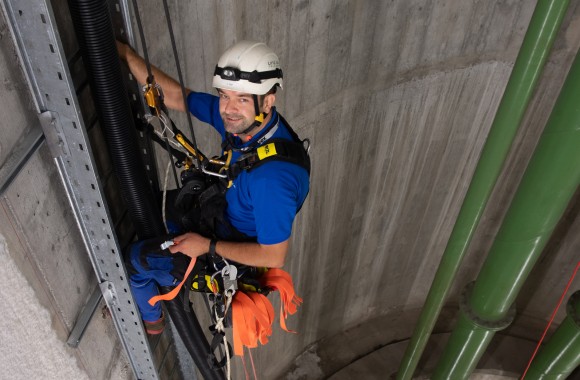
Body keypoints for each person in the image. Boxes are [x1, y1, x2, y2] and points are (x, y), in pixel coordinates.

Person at [117, 40, 310, 333]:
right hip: (216, 210)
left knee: (133, 262)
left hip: (222, 248)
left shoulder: (273, 180)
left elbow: (274, 256)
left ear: (267, 101)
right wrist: (125, 54)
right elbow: (177, 97)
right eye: (223, 96)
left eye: (242, 99)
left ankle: (153, 321)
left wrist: (206, 246)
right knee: (146, 208)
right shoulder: (247, 126)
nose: (228, 109)